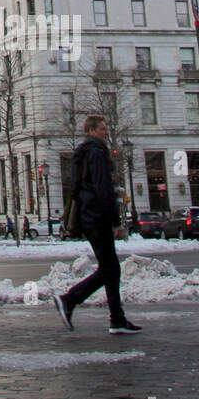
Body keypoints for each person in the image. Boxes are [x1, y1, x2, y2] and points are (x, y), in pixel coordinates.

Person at [54, 115, 141, 335]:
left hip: (88, 215)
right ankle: (69, 299)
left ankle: (117, 319)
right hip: (98, 215)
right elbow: (103, 189)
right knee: (109, 268)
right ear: (91, 130)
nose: (106, 132)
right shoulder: (96, 153)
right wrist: (116, 221)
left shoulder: (81, 154)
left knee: (111, 267)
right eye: (102, 128)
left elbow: (75, 187)